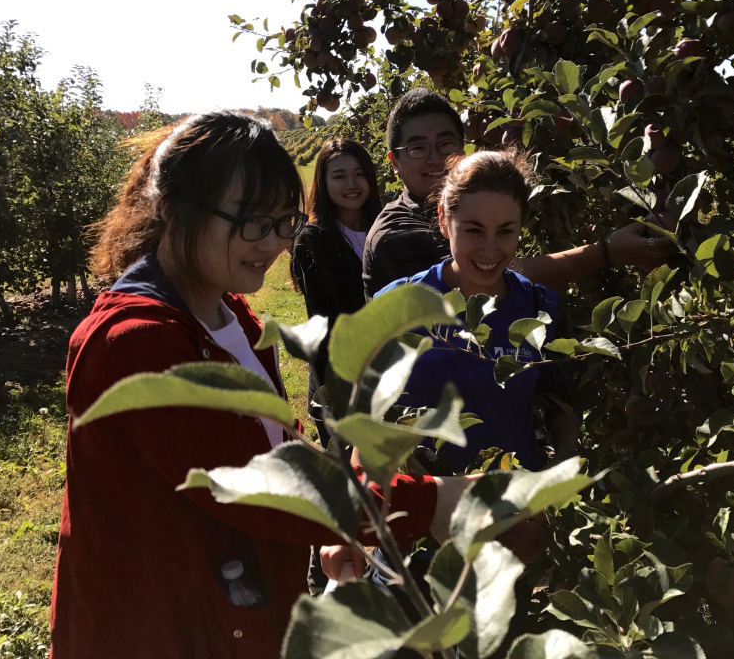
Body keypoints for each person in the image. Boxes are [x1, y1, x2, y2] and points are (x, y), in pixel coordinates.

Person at [50, 111, 470, 659]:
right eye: (253, 222)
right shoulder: (135, 343)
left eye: (284, 222)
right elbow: (250, 486)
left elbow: (270, 443)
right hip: (157, 628)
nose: (273, 244)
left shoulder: (231, 316)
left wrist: (333, 525)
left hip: (228, 613)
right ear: (175, 209)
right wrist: (431, 503)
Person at [376, 148, 579, 472]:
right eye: (473, 229)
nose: (489, 248)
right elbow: (365, 416)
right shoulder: (397, 307)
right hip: (429, 508)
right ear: (444, 220)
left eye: (505, 231)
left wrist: (556, 482)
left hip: (514, 507)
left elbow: (560, 405)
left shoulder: (539, 308)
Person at [362, 87, 671, 298]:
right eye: (417, 148)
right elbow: (490, 275)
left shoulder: (465, 205)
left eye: (446, 144)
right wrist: (607, 251)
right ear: (394, 163)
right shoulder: (396, 235)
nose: (435, 158)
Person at [290, 137, 382, 433]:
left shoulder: (386, 227)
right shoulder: (314, 241)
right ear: (324, 182)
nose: (351, 184)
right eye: (339, 176)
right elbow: (327, 326)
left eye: (359, 174)